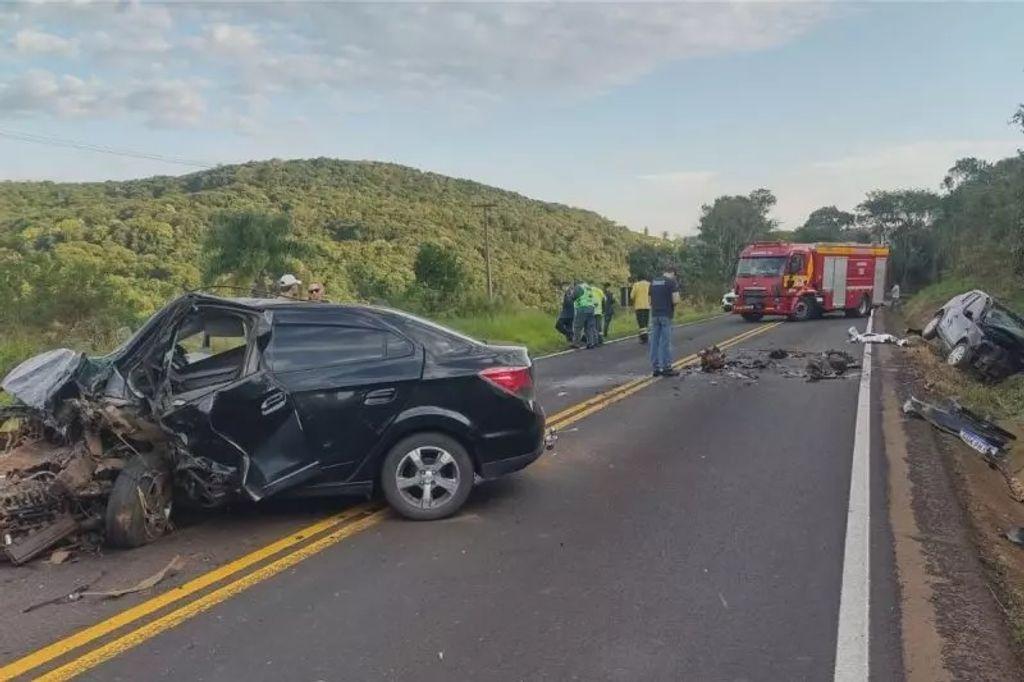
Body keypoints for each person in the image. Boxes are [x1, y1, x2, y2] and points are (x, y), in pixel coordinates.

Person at [648, 268, 680, 377]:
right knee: (665, 342)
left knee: (654, 342)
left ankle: (655, 368)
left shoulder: (653, 282)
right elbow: (675, 300)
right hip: (666, 315)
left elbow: (649, 301)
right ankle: (666, 367)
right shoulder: (671, 282)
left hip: (654, 315)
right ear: (673, 274)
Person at [571, 281, 597, 349]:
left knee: (577, 326)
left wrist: (571, 294)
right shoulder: (588, 287)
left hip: (582, 308)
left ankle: (576, 343)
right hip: (591, 308)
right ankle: (591, 343)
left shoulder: (579, 287)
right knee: (589, 327)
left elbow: (573, 297)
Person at [630, 276, 651, 343]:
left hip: (639, 306)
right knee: (645, 322)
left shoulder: (636, 285)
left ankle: (644, 338)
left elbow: (632, 296)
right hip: (647, 306)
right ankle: (645, 336)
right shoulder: (649, 284)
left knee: (641, 324)